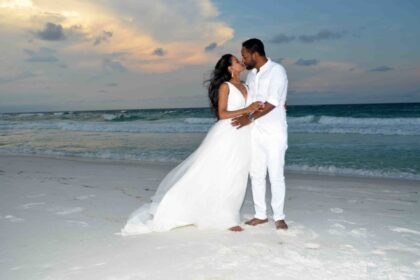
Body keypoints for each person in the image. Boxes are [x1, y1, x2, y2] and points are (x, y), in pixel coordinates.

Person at [121, 54, 262, 235]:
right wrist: (247, 110)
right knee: (220, 173)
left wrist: (266, 108)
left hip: (243, 135)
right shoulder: (225, 87)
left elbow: (255, 107)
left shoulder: (247, 86)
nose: (241, 62)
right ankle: (225, 219)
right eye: (236, 61)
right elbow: (222, 114)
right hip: (226, 134)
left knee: (238, 174)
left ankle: (228, 214)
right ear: (229, 68)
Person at [231, 38, 289, 230]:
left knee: (276, 175)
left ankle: (279, 216)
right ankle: (261, 214)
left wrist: (250, 118)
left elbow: (272, 102)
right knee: (256, 174)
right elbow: (251, 102)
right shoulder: (251, 76)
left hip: (273, 133)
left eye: (245, 55)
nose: (243, 59)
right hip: (254, 133)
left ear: (255, 54)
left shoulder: (276, 71)